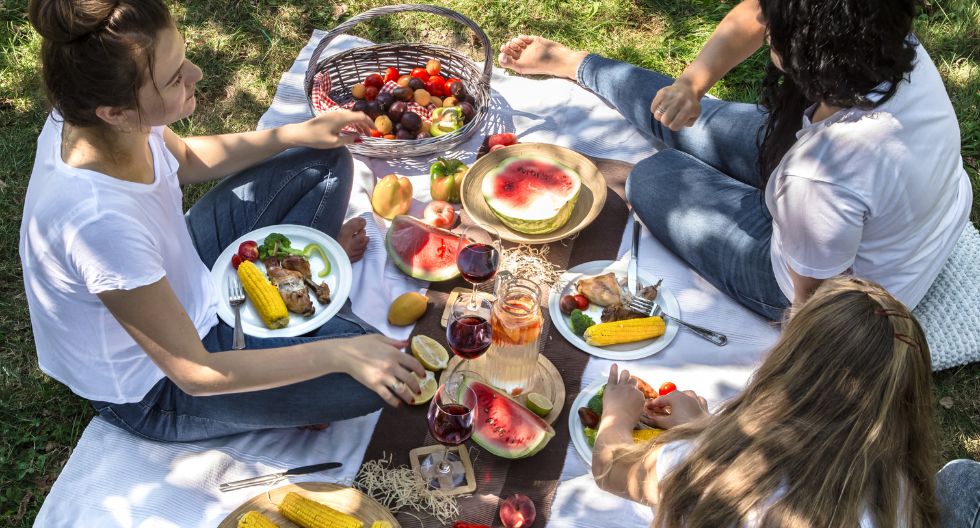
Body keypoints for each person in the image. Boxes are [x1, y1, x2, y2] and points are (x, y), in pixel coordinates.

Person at [19, 0, 426, 442]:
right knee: (370, 377)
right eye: (175, 78)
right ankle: (308, 328)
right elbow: (194, 372)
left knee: (325, 162)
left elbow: (187, 158)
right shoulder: (97, 223)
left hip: (184, 273)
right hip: (156, 386)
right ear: (114, 112)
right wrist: (341, 355)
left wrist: (295, 133)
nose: (195, 73)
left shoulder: (101, 113)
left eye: (183, 57)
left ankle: (298, 287)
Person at [497, 0, 972, 321]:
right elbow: (758, 12)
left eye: (778, 32)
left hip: (831, 288)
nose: (768, 34)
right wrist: (691, 84)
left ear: (812, 48)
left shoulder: (824, 174)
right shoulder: (880, 43)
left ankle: (713, 189)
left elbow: (813, 307)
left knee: (654, 175)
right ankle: (578, 65)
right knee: (679, 112)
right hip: (889, 212)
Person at [592, 276, 980, 527]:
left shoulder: (701, 465)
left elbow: (610, 470)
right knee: (963, 477)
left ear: (787, 363)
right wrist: (706, 425)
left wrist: (617, 414)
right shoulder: (900, 496)